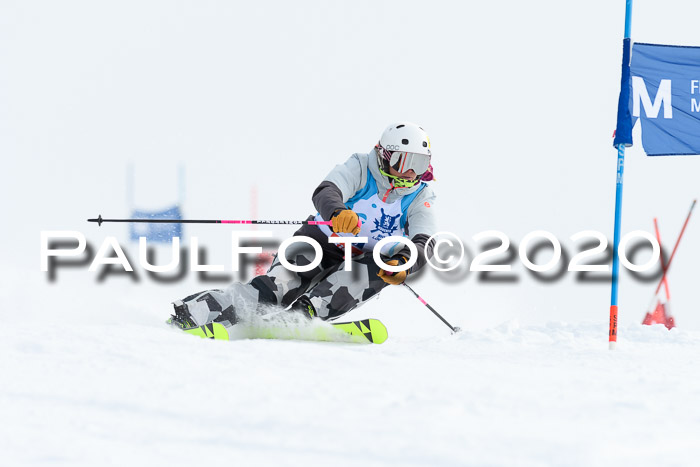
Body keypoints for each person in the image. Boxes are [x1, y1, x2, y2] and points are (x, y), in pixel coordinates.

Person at [170, 122, 437, 329]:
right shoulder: (361, 166)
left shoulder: (420, 196)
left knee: (375, 267)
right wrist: (337, 211)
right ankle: (193, 315)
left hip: (365, 260)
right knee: (271, 290)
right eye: (405, 162)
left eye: (419, 163)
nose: (411, 172)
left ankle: (304, 316)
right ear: (384, 155)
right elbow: (327, 191)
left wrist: (405, 263)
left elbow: (425, 242)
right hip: (320, 241)